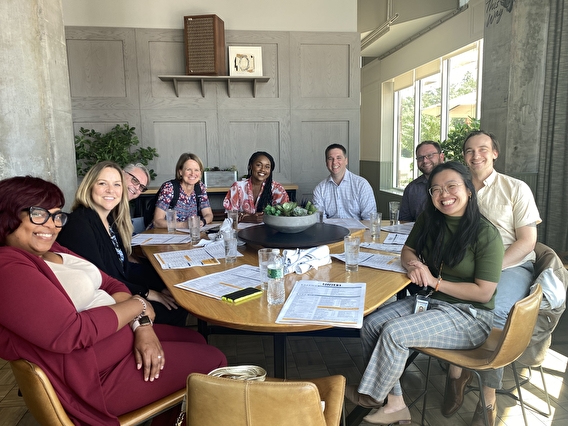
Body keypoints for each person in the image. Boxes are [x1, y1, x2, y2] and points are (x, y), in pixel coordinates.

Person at [0, 175, 227, 426]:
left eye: (56, 216)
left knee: (196, 339)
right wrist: (139, 306)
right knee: (214, 360)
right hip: (95, 378)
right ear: (8, 214)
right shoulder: (9, 267)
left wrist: (141, 325)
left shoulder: (50, 250)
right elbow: (71, 332)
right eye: (38, 213)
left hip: (117, 339)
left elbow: (110, 283)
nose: (51, 225)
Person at [345, 162, 503, 425]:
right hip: (434, 302)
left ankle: (371, 396)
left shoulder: (486, 234)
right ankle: (395, 402)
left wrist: (435, 282)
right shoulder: (431, 220)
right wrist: (414, 264)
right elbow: (407, 250)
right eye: (436, 189)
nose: (444, 194)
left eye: (452, 186)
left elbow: (483, 293)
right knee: (371, 324)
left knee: (394, 333)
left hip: (471, 317)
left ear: (469, 190)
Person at [442, 130, 542, 426]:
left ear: (494, 153)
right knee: (445, 303)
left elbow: (527, 242)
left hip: (509, 267)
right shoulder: (457, 190)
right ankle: (455, 374)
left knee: (497, 311)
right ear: (464, 157)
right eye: (469, 151)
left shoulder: (516, 188)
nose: (476, 155)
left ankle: (487, 399)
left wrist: (489, 269)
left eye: (483, 149)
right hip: (465, 268)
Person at [57, 161, 188, 327]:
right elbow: (103, 280)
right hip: (106, 302)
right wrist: (148, 293)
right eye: (102, 183)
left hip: (119, 289)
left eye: (116, 185)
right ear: (89, 186)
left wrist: (157, 287)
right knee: (176, 308)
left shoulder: (109, 219)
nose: (111, 190)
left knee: (173, 294)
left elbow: (122, 268)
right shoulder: (79, 224)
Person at [313, 143, 376, 220]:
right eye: (330, 158)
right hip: (331, 231)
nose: (334, 162)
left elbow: (369, 219)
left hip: (357, 231)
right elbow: (320, 220)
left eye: (338, 158)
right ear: (326, 162)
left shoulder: (362, 185)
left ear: (346, 161)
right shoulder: (320, 189)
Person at [223, 151, 289, 223]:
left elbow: (284, 216)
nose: (263, 169)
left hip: (269, 231)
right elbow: (229, 215)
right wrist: (249, 218)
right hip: (242, 232)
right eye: (258, 165)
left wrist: (265, 218)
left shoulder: (277, 189)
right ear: (251, 166)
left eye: (267, 167)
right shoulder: (237, 187)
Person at [151, 153, 213, 229]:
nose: (193, 174)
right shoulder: (169, 188)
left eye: (196, 170)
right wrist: (184, 225)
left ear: (200, 173)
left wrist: (202, 222)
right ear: (180, 172)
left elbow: (209, 214)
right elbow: (157, 222)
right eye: (188, 170)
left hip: (187, 235)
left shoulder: (200, 187)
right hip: (165, 235)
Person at [399, 141, 444, 222]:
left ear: (441, 156)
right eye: (420, 157)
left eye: (430, 155)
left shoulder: (456, 184)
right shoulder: (411, 189)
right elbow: (404, 222)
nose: (425, 161)